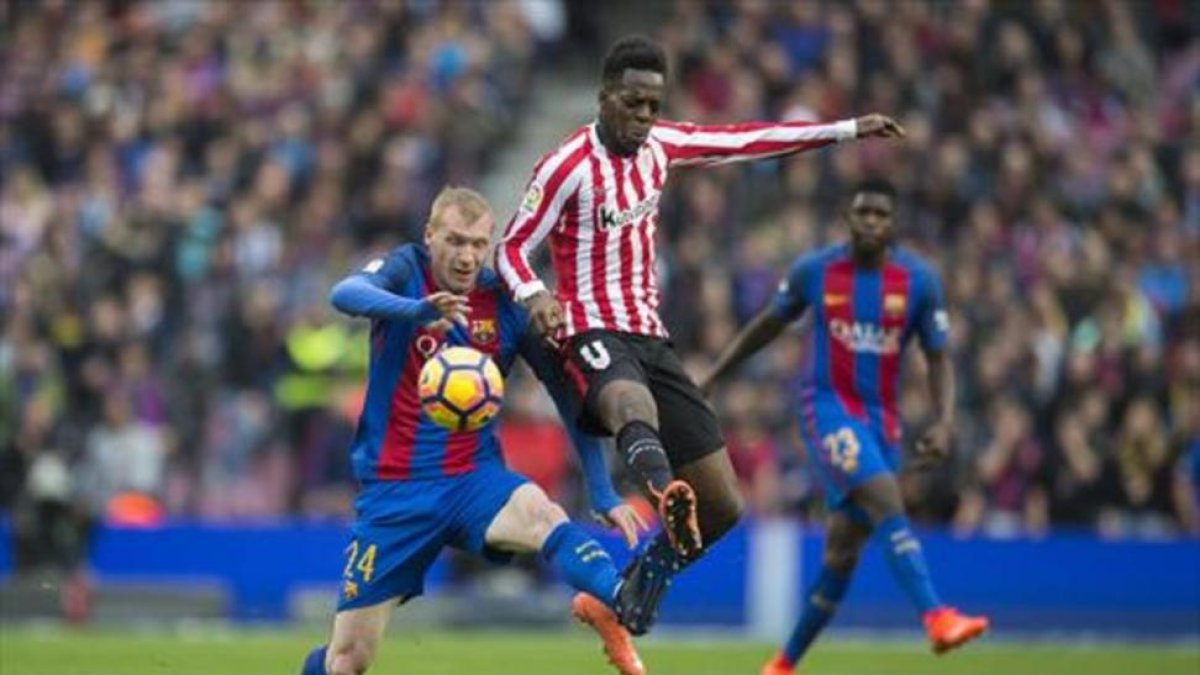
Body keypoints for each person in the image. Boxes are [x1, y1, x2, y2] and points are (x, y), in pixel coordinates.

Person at [495, 34, 906, 634]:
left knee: (723, 505)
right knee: (629, 403)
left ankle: (641, 580)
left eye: (652, 106)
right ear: (605, 98)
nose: (643, 116)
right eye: (632, 103)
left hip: (650, 336)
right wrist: (535, 294)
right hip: (587, 329)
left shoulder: (662, 147)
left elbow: (748, 140)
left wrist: (844, 130)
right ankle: (666, 493)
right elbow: (511, 246)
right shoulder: (566, 166)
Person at [300, 187, 648, 675]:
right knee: (347, 661)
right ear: (430, 236)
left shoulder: (505, 302)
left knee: (543, 514)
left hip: (473, 479)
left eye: (478, 244)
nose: (467, 256)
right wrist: (417, 310)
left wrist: (603, 490)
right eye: (455, 241)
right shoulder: (405, 270)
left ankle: (620, 596)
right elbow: (345, 294)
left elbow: (568, 398)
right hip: (395, 493)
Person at [699, 179, 989, 675]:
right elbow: (769, 323)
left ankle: (782, 665)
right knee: (885, 497)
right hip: (827, 409)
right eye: (863, 213)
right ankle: (936, 615)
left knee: (841, 554)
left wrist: (944, 421)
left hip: (883, 422)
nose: (871, 222)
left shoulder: (918, 281)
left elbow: (938, 357)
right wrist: (714, 375)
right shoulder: (816, 271)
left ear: (894, 223)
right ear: (848, 218)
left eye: (881, 214)